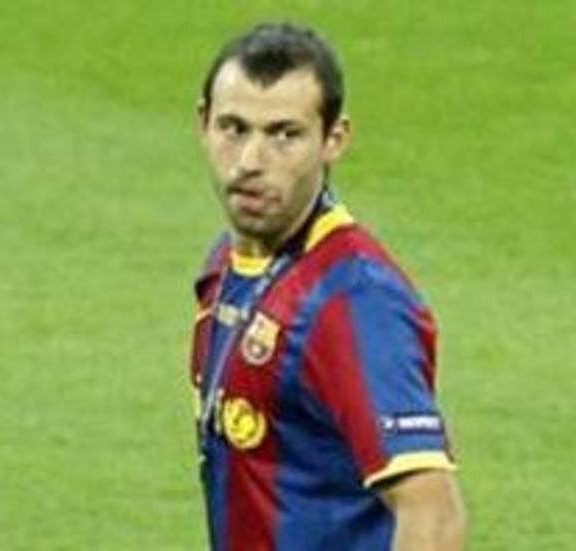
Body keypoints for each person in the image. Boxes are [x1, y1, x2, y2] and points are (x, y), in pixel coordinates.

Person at [190, 22, 466, 551]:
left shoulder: (350, 298)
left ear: (334, 139)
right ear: (203, 122)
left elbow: (434, 515)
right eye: (234, 128)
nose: (250, 162)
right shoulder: (227, 264)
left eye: (284, 135)